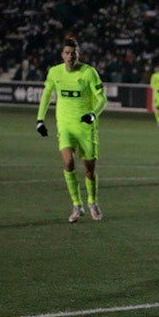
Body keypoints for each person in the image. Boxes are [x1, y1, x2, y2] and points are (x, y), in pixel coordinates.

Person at [36, 36, 107, 223]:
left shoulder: (88, 73)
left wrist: (93, 114)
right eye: (67, 53)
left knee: (89, 170)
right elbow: (46, 95)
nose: (70, 56)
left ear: (78, 54)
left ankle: (92, 202)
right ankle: (77, 205)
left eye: (73, 53)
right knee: (68, 163)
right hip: (65, 126)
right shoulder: (55, 73)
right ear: (62, 54)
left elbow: (102, 99)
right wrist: (40, 120)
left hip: (86, 127)